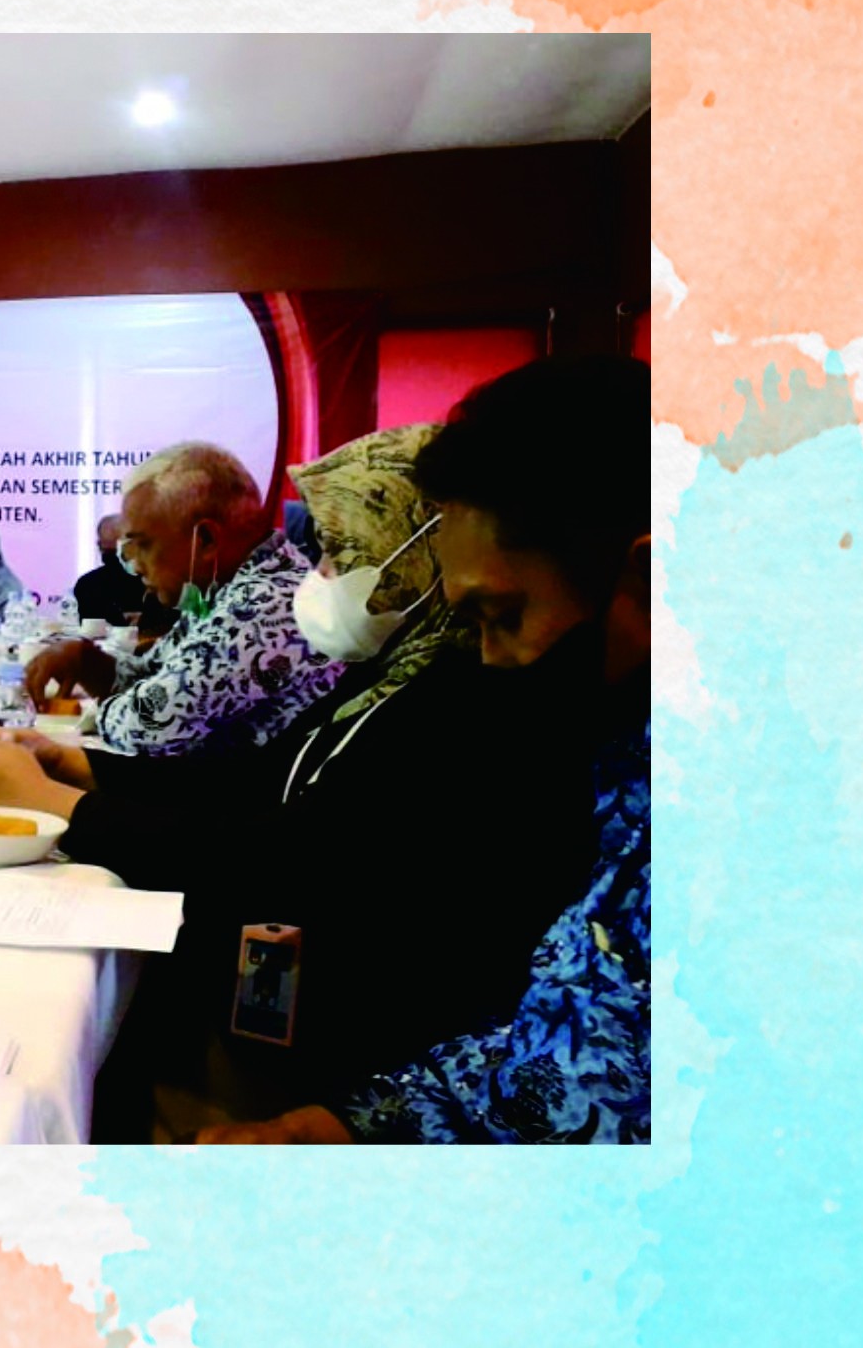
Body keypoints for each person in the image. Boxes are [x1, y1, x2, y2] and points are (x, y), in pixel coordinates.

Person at [0, 422, 598, 1128]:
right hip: (299, 986)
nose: (319, 573)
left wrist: (60, 806)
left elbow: (288, 852)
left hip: (345, 1034)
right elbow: (258, 779)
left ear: (416, 553)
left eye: (339, 552)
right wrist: (82, 770)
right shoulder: (394, 671)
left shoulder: (465, 697)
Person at [197, 354, 650, 1144]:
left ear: (648, 579)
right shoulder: (624, 766)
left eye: (504, 615)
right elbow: (561, 1030)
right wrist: (346, 1125)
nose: (489, 660)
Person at [26, 443, 341, 759]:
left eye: (143, 545)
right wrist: (86, 660)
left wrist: (96, 710)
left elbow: (147, 726)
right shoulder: (219, 588)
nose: (135, 566)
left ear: (205, 539)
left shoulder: (263, 605)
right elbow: (150, 674)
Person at [70, 514, 144, 626]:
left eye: (122, 551)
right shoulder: (88, 585)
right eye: (111, 552)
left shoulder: (154, 582)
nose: (118, 560)